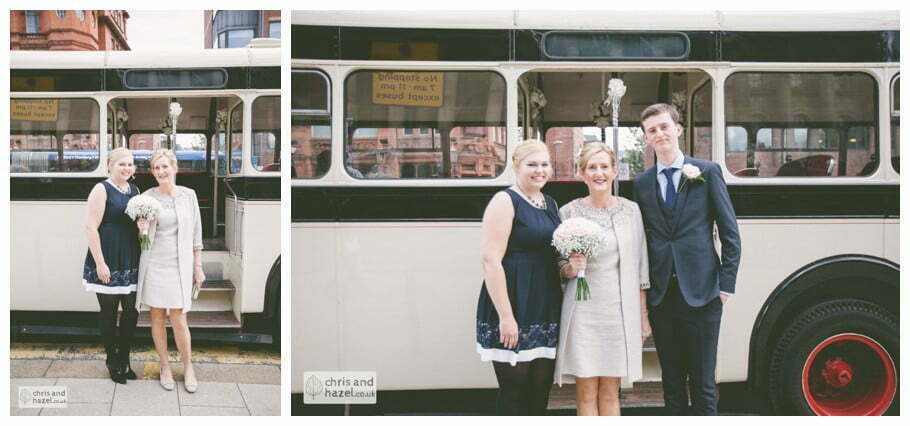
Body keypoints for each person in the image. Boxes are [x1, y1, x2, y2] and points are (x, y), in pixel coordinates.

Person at [632, 104, 741, 415]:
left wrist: (725, 286)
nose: (660, 134)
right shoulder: (642, 184)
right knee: (672, 382)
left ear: (678, 130)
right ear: (646, 139)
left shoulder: (706, 171)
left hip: (704, 294)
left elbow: (730, 234)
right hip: (662, 295)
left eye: (664, 127)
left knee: (704, 383)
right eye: (652, 130)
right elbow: (645, 238)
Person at [554, 143, 651, 416]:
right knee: (585, 392)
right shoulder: (568, 213)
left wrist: (643, 316)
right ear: (582, 174)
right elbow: (557, 265)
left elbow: (642, 265)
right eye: (592, 168)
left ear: (614, 171)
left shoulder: (631, 211)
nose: (599, 173)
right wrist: (571, 268)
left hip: (619, 311)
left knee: (611, 391)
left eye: (604, 167)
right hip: (583, 311)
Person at [475, 140, 562, 415]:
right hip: (513, 303)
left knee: (540, 389)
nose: (540, 170)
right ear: (516, 166)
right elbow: (491, 260)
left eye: (544, 165)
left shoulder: (550, 203)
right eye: (532, 165)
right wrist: (506, 316)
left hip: (544, 302)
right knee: (514, 390)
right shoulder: (505, 201)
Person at [135, 149, 205, 393]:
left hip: (180, 265)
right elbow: (143, 244)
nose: (161, 172)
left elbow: (197, 234)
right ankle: (164, 366)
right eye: (156, 168)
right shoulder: (146, 198)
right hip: (154, 264)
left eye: (165, 167)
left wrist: (198, 266)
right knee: (156, 316)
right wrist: (142, 231)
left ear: (175, 168)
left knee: (179, 318)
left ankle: (188, 367)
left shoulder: (189, 196)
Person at [82, 147, 141, 384]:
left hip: (130, 257)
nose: (127, 168)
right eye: (121, 164)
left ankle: (125, 360)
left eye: (130, 164)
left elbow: (136, 225)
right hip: (107, 256)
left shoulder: (135, 190)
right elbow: (90, 227)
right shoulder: (101, 189)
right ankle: (111, 360)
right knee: (109, 313)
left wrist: (144, 228)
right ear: (110, 165)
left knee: (130, 312)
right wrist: (100, 263)